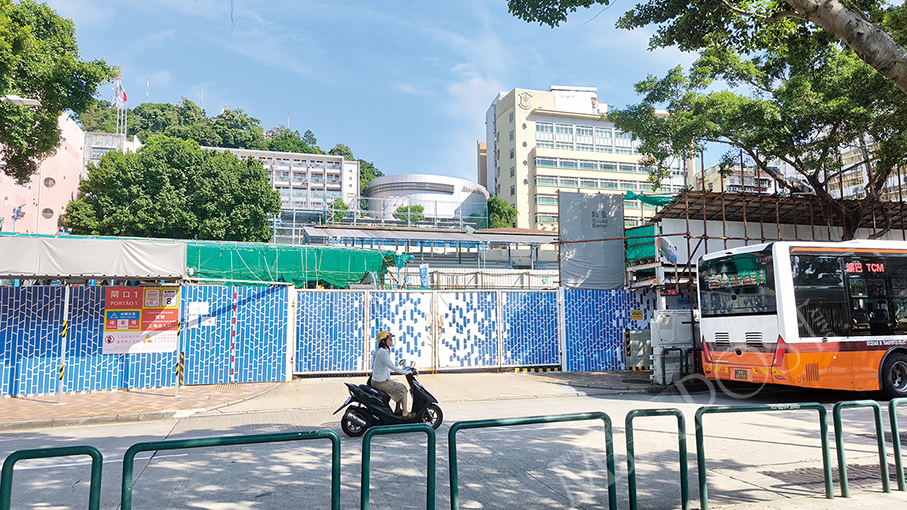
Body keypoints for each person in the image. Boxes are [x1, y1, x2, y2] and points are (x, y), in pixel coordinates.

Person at [371, 331, 414, 418]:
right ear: (383, 341)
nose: (391, 341)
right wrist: (408, 372)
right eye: (389, 340)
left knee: (398, 387)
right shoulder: (382, 352)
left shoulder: (380, 351)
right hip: (380, 382)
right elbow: (393, 367)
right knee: (403, 388)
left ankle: (398, 410)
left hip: (379, 381)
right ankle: (405, 413)